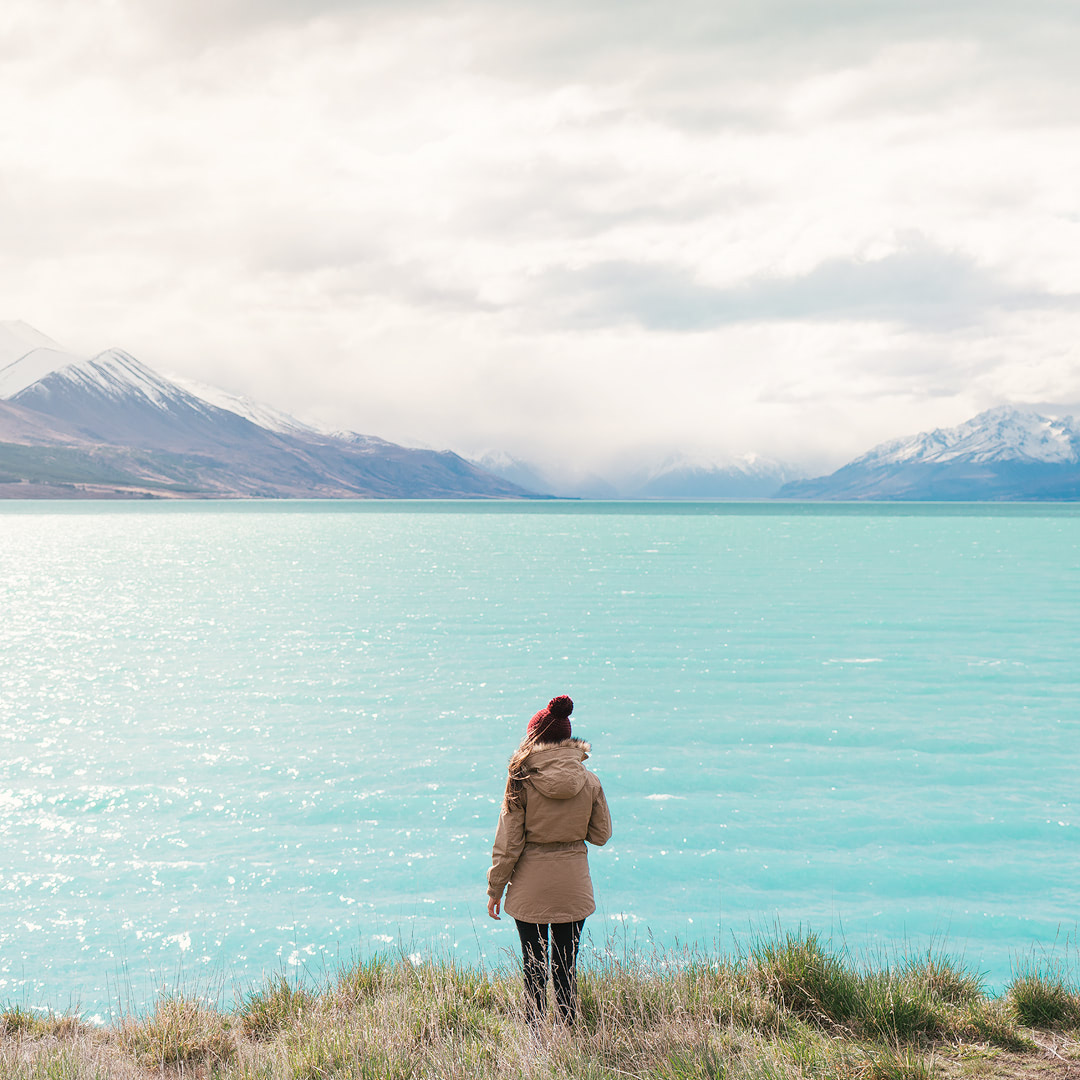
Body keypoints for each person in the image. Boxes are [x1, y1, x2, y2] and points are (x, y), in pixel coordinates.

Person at [486, 694, 612, 1025]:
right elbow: (601, 835)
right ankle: (569, 1029)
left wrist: (495, 889)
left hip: (530, 887)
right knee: (565, 965)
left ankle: (538, 1039)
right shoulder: (590, 780)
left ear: (534, 740)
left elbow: (508, 844)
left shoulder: (521, 779)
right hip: (573, 885)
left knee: (534, 965)